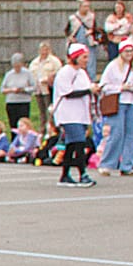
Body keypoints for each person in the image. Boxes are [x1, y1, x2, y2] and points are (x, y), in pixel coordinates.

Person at [96, 39, 133, 174]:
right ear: (121, 52)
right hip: (118, 102)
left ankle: (127, 165)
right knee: (116, 133)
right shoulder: (113, 67)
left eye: (131, 51)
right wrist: (121, 87)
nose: (129, 54)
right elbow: (104, 86)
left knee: (131, 134)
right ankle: (107, 163)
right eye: (126, 51)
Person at [52, 43, 98, 186]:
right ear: (75, 57)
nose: (86, 60)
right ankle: (83, 174)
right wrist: (89, 90)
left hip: (80, 114)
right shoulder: (65, 72)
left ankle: (65, 175)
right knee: (79, 143)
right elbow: (68, 93)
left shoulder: (82, 73)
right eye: (84, 57)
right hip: (68, 114)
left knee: (71, 145)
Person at [0, 51, 35, 126]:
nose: (17, 68)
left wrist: (23, 90)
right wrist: (11, 90)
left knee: (23, 123)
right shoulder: (9, 74)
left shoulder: (27, 73)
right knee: (13, 123)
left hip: (24, 102)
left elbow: (34, 87)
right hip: (11, 102)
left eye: (18, 66)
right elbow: (2, 89)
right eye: (15, 66)